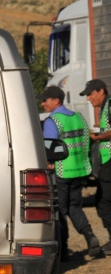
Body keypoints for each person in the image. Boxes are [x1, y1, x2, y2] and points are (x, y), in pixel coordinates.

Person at [41, 86, 103, 260]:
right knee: (74, 207)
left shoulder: (53, 121)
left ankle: (63, 250)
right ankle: (90, 237)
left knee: (60, 211)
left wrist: (48, 163)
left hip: (61, 171)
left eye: (46, 100)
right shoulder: (79, 117)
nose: (43, 104)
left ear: (56, 101)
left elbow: (49, 147)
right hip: (79, 170)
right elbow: (86, 142)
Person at [84, 79, 111, 249]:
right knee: (102, 201)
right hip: (107, 161)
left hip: (110, 162)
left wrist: (98, 137)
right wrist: (98, 131)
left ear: (101, 91)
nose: (88, 98)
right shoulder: (104, 107)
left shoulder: (109, 105)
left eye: (90, 94)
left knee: (104, 201)